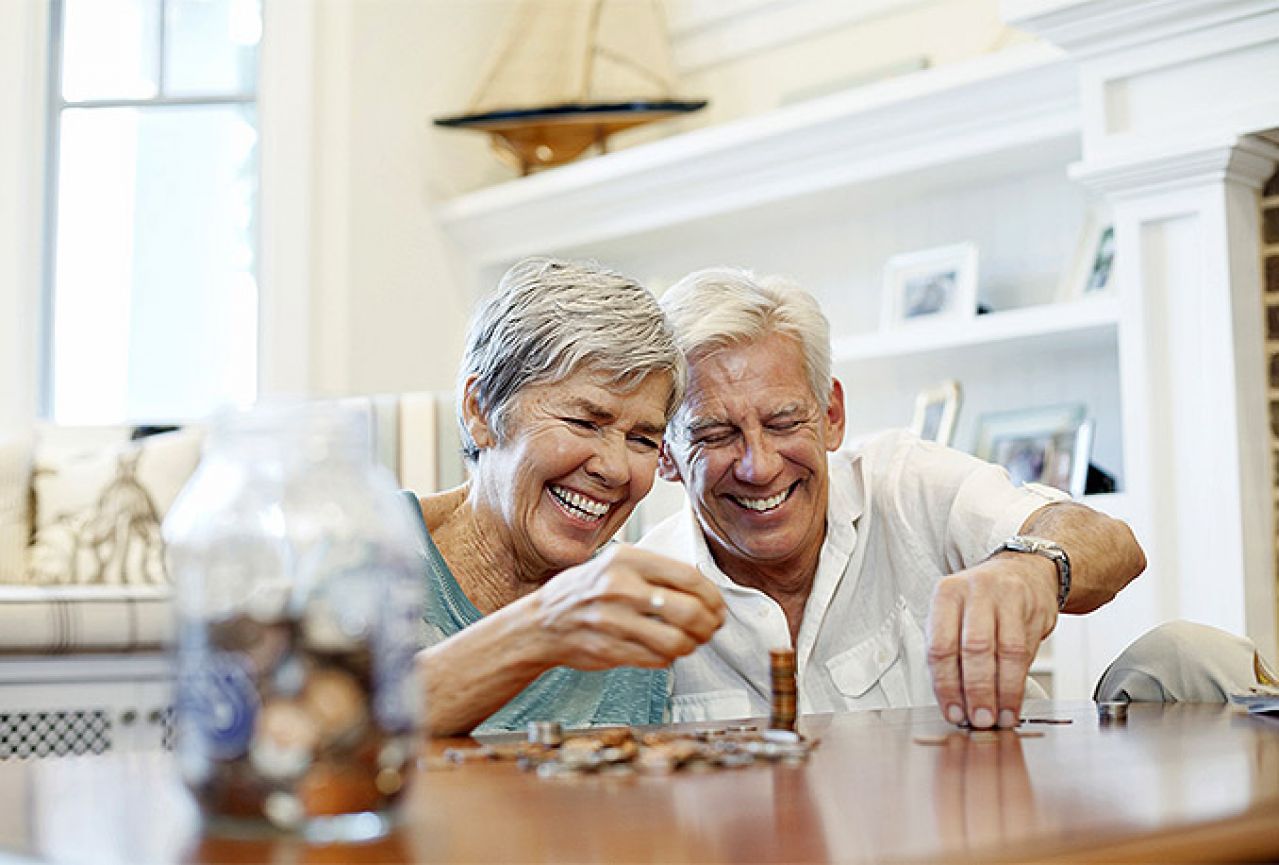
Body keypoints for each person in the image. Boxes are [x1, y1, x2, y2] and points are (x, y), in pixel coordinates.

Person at [639, 267, 1147, 729]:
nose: (760, 466)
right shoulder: (641, 596)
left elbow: (1115, 547)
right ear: (665, 453)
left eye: (785, 422)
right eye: (714, 435)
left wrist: (1029, 567)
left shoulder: (906, 483)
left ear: (832, 416)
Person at [411, 258, 725, 737]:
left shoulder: (634, 608)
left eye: (643, 439)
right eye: (584, 423)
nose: (615, 468)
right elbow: (320, 743)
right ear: (481, 410)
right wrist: (543, 628)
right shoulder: (362, 553)